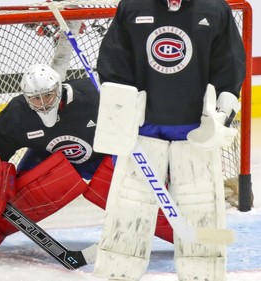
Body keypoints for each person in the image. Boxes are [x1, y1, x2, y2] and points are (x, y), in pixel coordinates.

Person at [92, 0, 245, 281]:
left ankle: (203, 272)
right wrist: (122, 106)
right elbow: (114, 61)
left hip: (194, 129)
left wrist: (221, 114)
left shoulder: (215, 9)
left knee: (200, 205)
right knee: (130, 203)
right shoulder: (132, 7)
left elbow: (230, 64)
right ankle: (116, 270)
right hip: (144, 127)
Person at [0, 63, 175, 253]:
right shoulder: (19, 112)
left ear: (59, 90)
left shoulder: (94, 96)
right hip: (48, 159)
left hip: (103, 158)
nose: (42, 103)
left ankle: (185, 233)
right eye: (35, 98)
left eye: (47, 96)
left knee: (134, 197)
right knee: (19, 199)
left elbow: (141, 121)